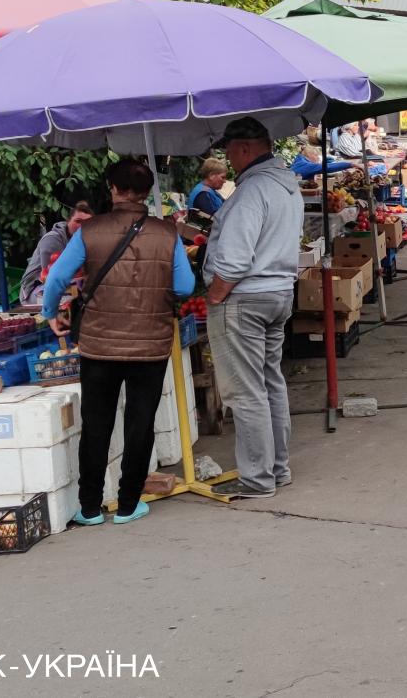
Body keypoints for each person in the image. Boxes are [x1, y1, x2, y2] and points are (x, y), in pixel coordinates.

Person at [43, 159, 194, 525]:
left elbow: (56, 279)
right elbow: (186, 287)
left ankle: (90, 508)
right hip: (151, 343)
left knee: (97, 424)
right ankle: (128, 504)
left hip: (99, 346)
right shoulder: (168, 233)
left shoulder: (90, 230)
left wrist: (51, 312)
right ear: (146, 191)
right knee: (140, 423)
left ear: (112, 188)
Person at [203, 117, 304, 499]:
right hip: (277, 293)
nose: (227, 159)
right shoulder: (285, 184)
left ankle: (258, 478)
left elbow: (233, 260)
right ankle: (277, 469)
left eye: (229, 151)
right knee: (269, 383)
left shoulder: (251, 192)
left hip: (245, 298)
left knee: (246, 392)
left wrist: (215, 295)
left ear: (245, 148)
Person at [19, 201, 95, 307]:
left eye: (87, 223)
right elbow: (51, 278)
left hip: (68, 286)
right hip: (35, 290)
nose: (82, 226)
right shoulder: (53, 240)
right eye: (78, 221)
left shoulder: (86, 240)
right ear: (68, 221)